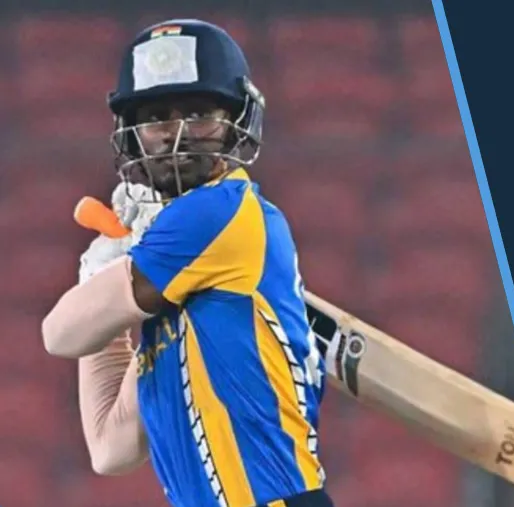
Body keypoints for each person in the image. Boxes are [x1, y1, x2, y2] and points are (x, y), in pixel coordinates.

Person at [41, 19, 334, 507]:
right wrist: (106, 285)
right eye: (156, 118)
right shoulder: (178, 297)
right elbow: (111, 448)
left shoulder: (218, 211)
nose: (177, 137)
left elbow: (59, 335)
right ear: (134, 135)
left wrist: (102, 278)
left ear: (235, 120)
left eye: (198, 114)